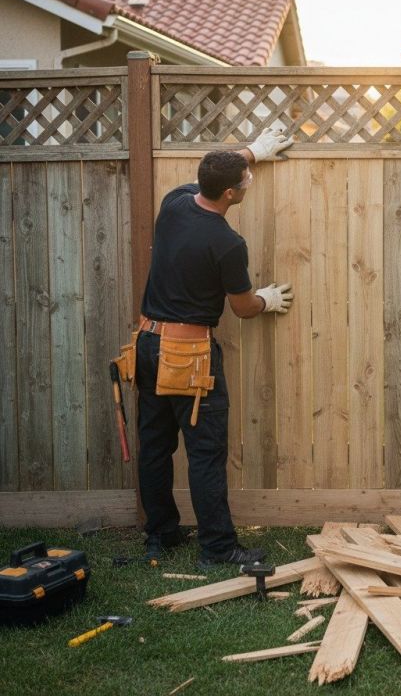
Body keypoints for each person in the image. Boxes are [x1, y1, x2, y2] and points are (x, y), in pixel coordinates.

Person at [136, 128, 294, 567]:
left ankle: (161, 534)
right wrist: (267, 298)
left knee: (154, 446)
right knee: (204, 454)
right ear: (229, 193)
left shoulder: (174, 204)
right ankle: (218, 550)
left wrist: (254, 152)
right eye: (244, 179)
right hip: (188, 358)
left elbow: (208, 172)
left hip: (147, 345)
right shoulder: (227, 244)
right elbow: (242, 309)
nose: (249, 181)